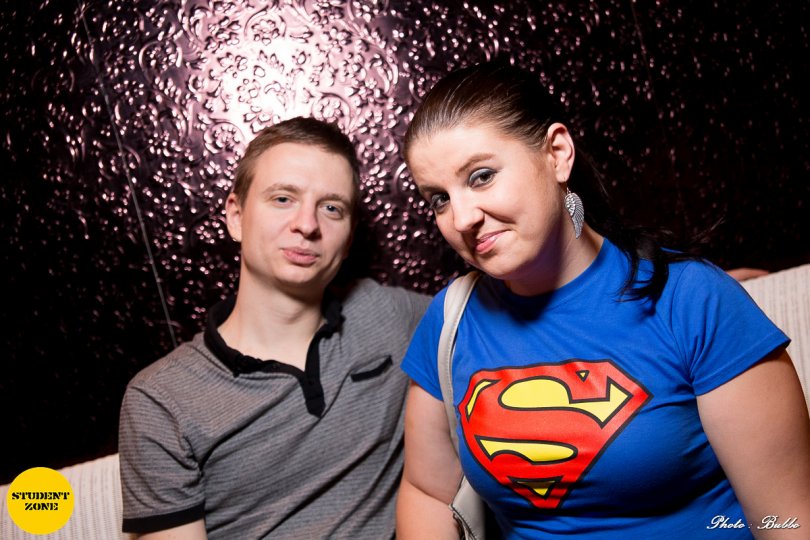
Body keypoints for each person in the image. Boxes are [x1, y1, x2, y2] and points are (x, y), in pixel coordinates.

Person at [396, 62, 810, 539]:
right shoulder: (450, 320)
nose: (461, 218)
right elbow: (427, 491)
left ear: (557, 154)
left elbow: (787, 519)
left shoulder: (692, 300)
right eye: (439, 199)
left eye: (481, 176)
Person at [118, 117, 430, 539]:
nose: (307, 224)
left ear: (349, 237)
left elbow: (503, 312)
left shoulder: (391, 316)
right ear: (236, 216)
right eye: (283, 198)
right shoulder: (160, 401)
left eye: (331, 208)